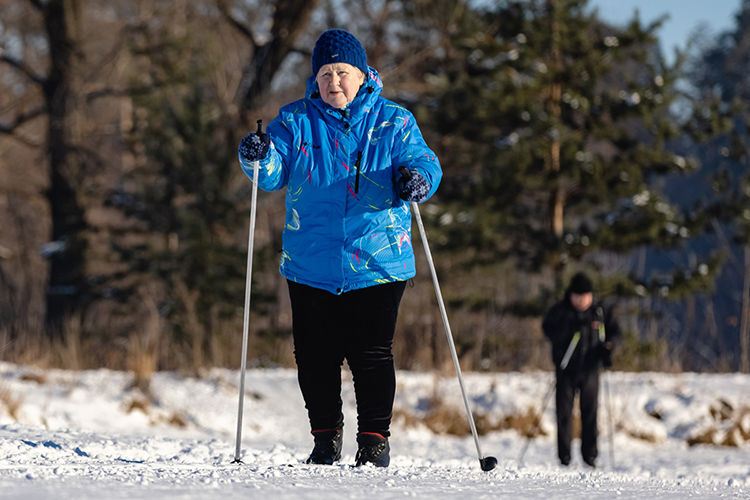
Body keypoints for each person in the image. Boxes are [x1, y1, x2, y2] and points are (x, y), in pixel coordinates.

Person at [237, 29, 442, 467]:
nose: (334, 81)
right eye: (326, 73)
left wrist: (418, 178)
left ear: (362, 74)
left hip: (378, 259)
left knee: (371, 354)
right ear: (315, 78)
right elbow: (272, 173)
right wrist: (256, 155)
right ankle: (325, 439)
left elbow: (424, 161)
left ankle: (373, 441)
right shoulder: (295, 121)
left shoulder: (394, 121)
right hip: (311, 260)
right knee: (315, 356)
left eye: (342, 72)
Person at [542, 272, 620, 468]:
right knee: (564, 415)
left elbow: (616, 332)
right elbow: (548, 329)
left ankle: (590, 456)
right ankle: (565, 457)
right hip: (566, 370)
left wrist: (609, 347)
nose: (583, 301)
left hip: (591, 371)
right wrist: (567, 330)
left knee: (590, 414)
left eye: (586, 296)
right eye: (578, 296)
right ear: (571, 295)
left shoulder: (600, 312)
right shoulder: (561, 311)